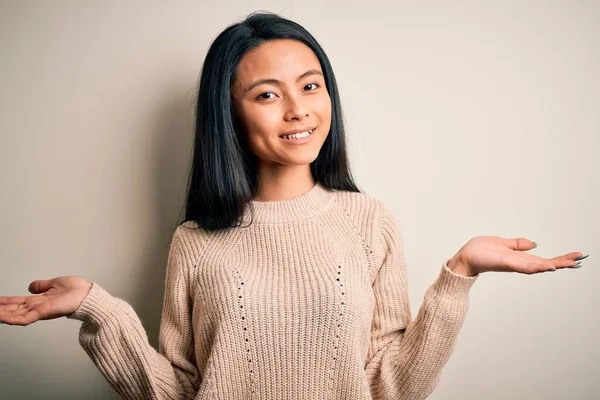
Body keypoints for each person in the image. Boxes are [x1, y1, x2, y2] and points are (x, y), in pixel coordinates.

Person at [0, 11, 587, 400]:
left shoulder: (368, 221)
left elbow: (390, 384)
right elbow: (177, 390)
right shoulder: (196, 240)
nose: (298, 109)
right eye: (265, 94)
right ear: (228, 114)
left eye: (310, 85)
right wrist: (100, 310)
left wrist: (459, 274)